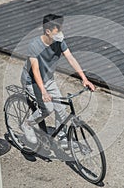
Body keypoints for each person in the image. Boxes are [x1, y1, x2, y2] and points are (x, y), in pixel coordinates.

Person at [20, 14, 95, 149]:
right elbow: (35, 71)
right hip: (32, 81)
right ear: (48, 31)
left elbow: (70, 58)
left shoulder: (59, 42)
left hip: (48, 79)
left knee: (61, 108)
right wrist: (43, 92)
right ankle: (27, 124)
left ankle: (61, 136)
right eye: (57, 30)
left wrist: (84, 78)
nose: (60, 32)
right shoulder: (35, 45)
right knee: (47, 109)